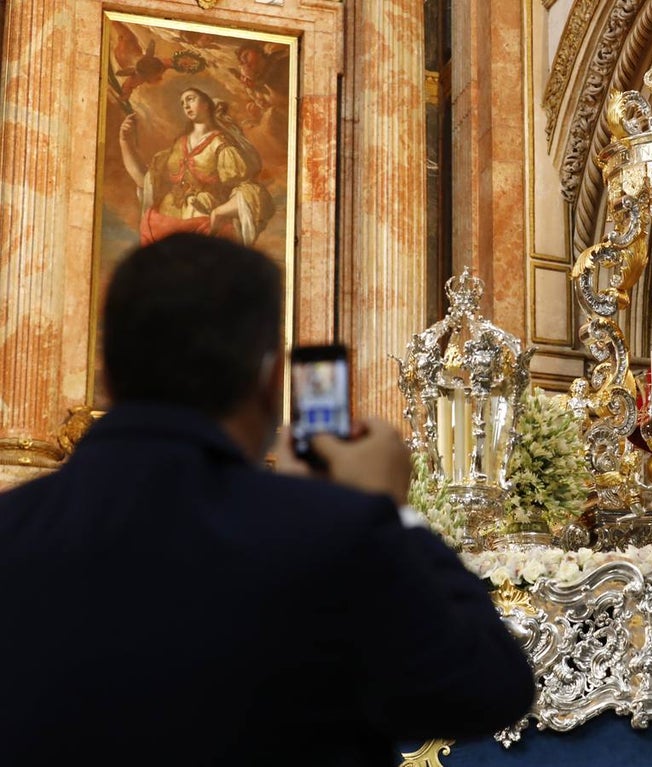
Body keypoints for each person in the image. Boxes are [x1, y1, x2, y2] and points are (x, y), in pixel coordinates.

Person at [0, 233, 535, 765]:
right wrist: (388, 508)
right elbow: (489, 685)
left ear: (105, 374)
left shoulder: (10, 530)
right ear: (270, 380)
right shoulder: (329, 537)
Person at [119, 87, 273, 246]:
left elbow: (249, 192)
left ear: (206, 104)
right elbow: (145, 181)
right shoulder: (178, 145)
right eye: (182, 102)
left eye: (190, 99)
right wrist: (125, 142)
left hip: (203, 228)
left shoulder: (221, 145)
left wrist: (219, 213)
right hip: (162, 227)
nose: (185, 105)